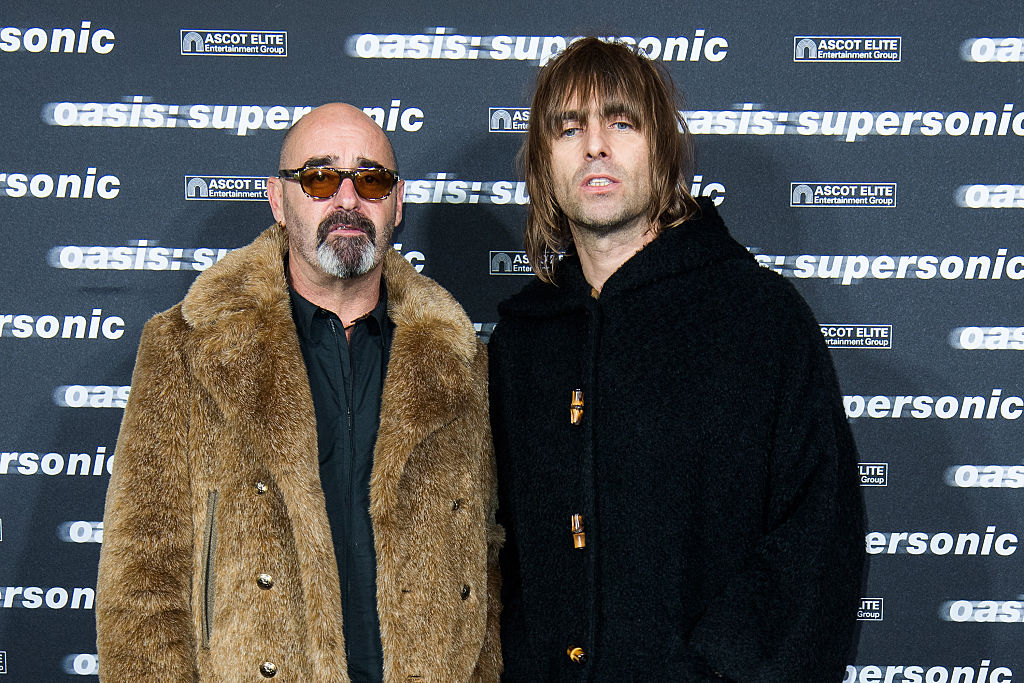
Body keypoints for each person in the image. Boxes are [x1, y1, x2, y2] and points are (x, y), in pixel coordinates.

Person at [488, 38, 864, 681]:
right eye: (569, 128)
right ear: (543, 165)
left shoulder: (760, 318)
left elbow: (818, 539)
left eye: (621, 122)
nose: (594, 145)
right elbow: (499, 551)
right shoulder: (523, 341)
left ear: (661, 150)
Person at [96, 103, 501, 682]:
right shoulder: (184, 348)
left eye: (371, 180)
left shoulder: (459, 360)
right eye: (318, 178)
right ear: (277, 199)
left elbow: (486, 561)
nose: (347, 199)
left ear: (397, 203)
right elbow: (140, 579)